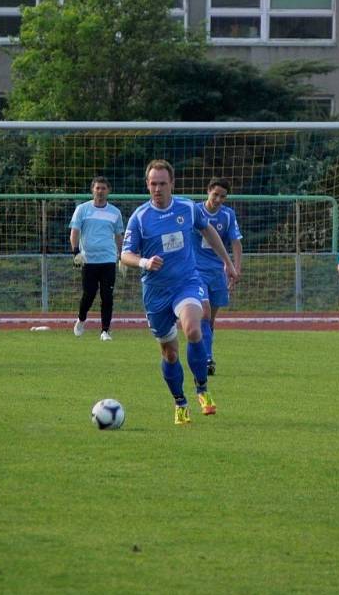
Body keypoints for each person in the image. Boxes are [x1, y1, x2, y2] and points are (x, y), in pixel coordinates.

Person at [120, 159, 239, 425]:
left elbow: (207, 230)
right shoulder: (140, 217)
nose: (158, 188)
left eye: (163, 183)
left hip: (186, 282)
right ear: (147, 185)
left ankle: (202, 389)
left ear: (172, 184)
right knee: (170, 353)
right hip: (156, 292)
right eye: (153, 184)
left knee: (194, 328)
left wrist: (228, 263)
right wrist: (144, 262)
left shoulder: (187, 207)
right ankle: (180, 403)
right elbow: (125, 254)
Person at [192, 177, 242, 375]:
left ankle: (203, 352)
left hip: (217, 271)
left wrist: (235, 268)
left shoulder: (228, 216)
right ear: (208, 192)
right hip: (195, 270)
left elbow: (236, 243)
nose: (218, 199)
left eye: (223, 196)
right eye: (215, 195)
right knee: (203, 313)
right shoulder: (194, 211)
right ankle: (207, 358)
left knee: (210, 320)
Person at [69, 176, 124, 341]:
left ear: (109, 191)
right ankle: (81, 319)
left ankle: (105, 331)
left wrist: (122, 256)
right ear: (92, 190)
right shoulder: (82, 209)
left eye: (103, 188)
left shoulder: (115, 212)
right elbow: (75, 232)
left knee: (107, 296)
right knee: (89, 294)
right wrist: (75, 252)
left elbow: (118, 236)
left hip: (108, 259)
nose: (100, 191)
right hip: (89, 260)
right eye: (97, 188)